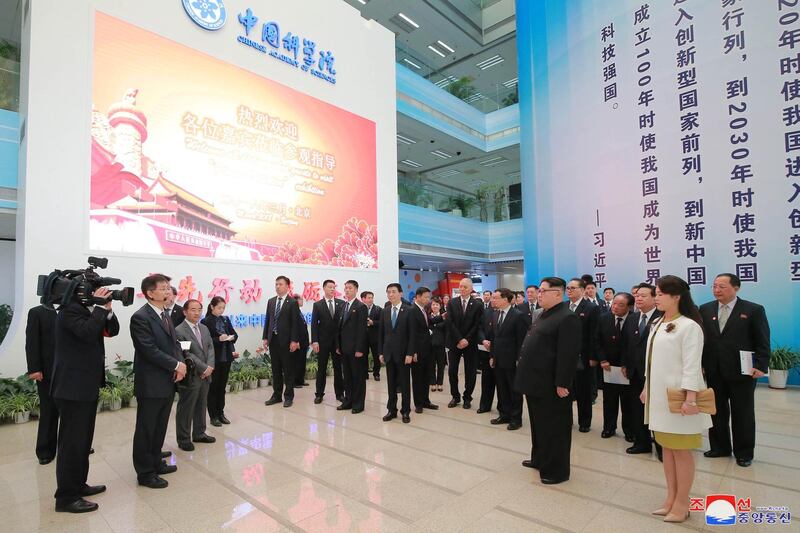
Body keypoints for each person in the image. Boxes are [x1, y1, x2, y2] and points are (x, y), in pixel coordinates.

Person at [641, 275, 712, 523]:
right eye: (656, 293)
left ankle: (683, 503)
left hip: (681, 399)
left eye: (660, 293)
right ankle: (670, 498)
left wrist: (691, 399)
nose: (656, 297)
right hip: (660, 399)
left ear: (676, 296)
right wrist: (646, 387)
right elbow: (651, 361)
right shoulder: (658, 323)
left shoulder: (689, 326)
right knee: (668, 450)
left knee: (681, 451)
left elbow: (693, 366)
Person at [50, 287, 119, 513]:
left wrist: (107, 310)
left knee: (82, 442)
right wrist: (99, 308)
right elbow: (88, 333)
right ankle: (66, 497)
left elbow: (113, 330)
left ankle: (79, 485)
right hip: (72, 387)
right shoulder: (69, 311)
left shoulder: (89, 311)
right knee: (71, 444)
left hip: (85, 387)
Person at [700, 273, 771, 468]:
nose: (717, 290)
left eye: (722, 286)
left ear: (736, 288)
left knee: (743, 413)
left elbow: (762, 340)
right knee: (717, 411)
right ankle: (720, 447)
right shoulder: (705, 309)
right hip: (714, 370)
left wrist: (761, 365)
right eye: (714, 286)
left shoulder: (753, 309)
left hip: (743, 371)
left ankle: (744, 452)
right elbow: (703, 341)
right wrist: (701, 366)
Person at [515, 277, 580, 485]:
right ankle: (539, 458)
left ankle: (556, 470)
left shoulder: (567, 317)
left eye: (543, 291)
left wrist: (563, 383)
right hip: (534, 381)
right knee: (538, 425)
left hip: (551, 384)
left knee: (554, 428)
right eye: (539, 291)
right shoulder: (543, 314)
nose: (539, 294)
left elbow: (568, 355)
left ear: (557, 294)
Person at [131, 274, 186, 489]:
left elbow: (175, 345)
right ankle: (144, 473)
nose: (168, 291)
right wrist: (175, 365)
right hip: (151, 382)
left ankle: (156, 462)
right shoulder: (141, 317)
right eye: (163, 288)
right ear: (150, 293)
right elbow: (149, 350)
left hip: (166, 380)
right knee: (146, 428)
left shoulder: (165, 314)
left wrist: (180, 365)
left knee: (160, 426)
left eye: (168, 288)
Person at [624, 283, 663, 456]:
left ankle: (662, 447)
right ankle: (642, 442)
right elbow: (626, 344)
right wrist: (625, 364)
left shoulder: (663, 317)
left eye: (643, 295)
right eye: (637, 295)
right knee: (637, 408)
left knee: (657, 410)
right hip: (634, 371)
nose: (638, 298)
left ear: (655, 298)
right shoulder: (632, 317)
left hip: (655, 373)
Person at [174, 299, 216, 451]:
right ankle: (183, 438)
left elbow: (210, 347)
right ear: (185, 312)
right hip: (191, 374)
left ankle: (199, 433)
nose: (196, 312)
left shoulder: (204, 328)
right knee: (186, 407)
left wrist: (210, 367)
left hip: (206, 374)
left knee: (201, 404)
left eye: (199, 309)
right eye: (193, 309)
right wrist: (203, 368)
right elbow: (186, 353)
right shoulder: (179, 330)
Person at [485, 288, 527, 430]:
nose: (493, 300)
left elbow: (522, 340)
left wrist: (519, 359)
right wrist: (492, 356)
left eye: (496, 298)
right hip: (498, 359)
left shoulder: (518, 315)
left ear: (505, 299)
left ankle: (516, 419)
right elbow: (493, 338)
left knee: (514, 390)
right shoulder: (495, 314)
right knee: (502, 389)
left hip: (512, 360)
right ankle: (504, 414)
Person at [596, 293, 636, 440]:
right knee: (609, 400)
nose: (615, 307)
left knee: (627, 402)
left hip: (626, 368)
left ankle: (629, 430)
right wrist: (602, 360)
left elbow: (633, 346)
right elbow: (597, 341)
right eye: (614, 304)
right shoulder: (603, 318)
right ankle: (609, 428)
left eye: (620, 305)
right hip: (609, 367)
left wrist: (627, 364)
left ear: (629, 307)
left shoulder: (634, 319)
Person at [25, 304, 59, 465]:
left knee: (73, 414)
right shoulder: (38, 312)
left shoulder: (74, 309)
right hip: (47, 372)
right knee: (49, 411)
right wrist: (34, 368)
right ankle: (45, 451)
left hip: (71, 372)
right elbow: (31, 342)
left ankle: (74, 446)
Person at [566, 278, 599, 432]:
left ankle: (585, 422)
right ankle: (566, 419)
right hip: (565, 357)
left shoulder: (591, 308)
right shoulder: (563, 307)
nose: (569, 291)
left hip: (584, 357)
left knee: (583, 391)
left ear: (582, 290)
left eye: (573, 288)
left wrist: (593, 357)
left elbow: (594, 335)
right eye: (568, 288)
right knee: (565, 390)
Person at [263, 276, 301, 408]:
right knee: (276, 369)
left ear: (287, 286)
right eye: (276, 284)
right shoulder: (271, 301)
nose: (277, 286)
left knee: (288, 370)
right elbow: (268, 321)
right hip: (273, 340)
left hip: (287, 342)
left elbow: (295, 324)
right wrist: (265, 338)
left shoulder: (292, 302)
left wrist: (294, 340)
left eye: (280, 284)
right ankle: (276, 395)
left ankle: (288, 396)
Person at [445, 278, 482, 409]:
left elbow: (477, 324)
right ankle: (455, 396)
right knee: (452, 371)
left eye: (465, 287)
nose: (462, 289)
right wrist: (459, 339)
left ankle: (467, 397)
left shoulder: (478, 304)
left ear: (471, 289)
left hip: (470, 343)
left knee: (470, 371)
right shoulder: (452, 302)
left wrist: (467, 339)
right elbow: (450, 322)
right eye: (460, 286)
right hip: (454, 342)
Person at [379, 283, 413, 423]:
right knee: (391, 384)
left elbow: (412, 335)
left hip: (404, 354)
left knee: (404, 384)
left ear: (401, 293)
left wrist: (410, 353)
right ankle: (391, 410)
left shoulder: (409, 310)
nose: (390, 295)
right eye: (388, 292)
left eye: (393, 292)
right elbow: (381, 334)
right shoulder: (385, 311)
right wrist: (380, 352)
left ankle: (405, 411)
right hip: (389, 354)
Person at [203, 297, 238, 427]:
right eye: (219, 307)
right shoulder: (206, 321)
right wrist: (219, 339)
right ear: (212, 307)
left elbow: (234, 334)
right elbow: (206, 341)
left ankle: (221, 412)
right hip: (214, 359)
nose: (221, 310)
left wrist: (230, 337)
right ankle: (213, 416)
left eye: (223, 308)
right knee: (213, 388)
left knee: (222, 388)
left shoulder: (225, 319)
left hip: (226, 358)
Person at [336, 280, 369, 413]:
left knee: (358, 377)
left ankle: (358, 404)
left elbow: (362, 330)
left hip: (356, 349)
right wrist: (338, 345)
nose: (347, 290)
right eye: (346, 288)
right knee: (347, 377)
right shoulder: (344, 306)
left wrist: (360, 349)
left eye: (350, 288)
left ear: (356, 290)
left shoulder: (361, 307)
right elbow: (339, 328)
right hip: (344, 348)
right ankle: (348, 401)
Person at [310, 280, 344, 404]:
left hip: (337, 343)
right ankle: (319, 394)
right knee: (322, 368)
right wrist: (315, 341)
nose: (332, 289)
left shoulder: (341, 303)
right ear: (324, 288)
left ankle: (340, 393)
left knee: (338, 369)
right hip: (323, 341)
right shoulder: (318, 305)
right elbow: (314, 324)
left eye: (333, 287)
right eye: (329, 287)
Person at [408, 286, 438, 413]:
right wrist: (413, 351)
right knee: (418, 378)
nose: (428, 300)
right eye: (426, 297)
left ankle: (426, 401)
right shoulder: (412, 310)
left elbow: (427, 325)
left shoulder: (423, 310)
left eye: (428, 297)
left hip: (427, 349)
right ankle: (418, 403)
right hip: (418, 351)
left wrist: (441, 317)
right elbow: (412, 333)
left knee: (426, 376)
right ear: (418, 297)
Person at [477, 288, 496, 414]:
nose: (493, 300)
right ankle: (485, 405)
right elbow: (479, 328)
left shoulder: (512, 314)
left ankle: (503, 407)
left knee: (501, 382)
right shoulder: (486, 312)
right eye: (493, 298)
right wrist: (483, 340)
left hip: (500, 352)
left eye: (496, 298)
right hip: (486, 350)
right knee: (486, 380)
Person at [362, 291, 382, 381]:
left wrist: (373, 322)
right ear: (363, 299)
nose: (370, 299)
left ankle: (376, 373)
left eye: (371, 298)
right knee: (364, 356)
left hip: (375, 337)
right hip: (363, 337)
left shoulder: (378, 309)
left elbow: (382, 323)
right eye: (368, 298)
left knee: (376, 356)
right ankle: (364, 373)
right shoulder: (360, 309)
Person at [428, 298, 447, 392]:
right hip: (430, 345)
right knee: (431, 364)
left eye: (437, 305)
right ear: (431, 306)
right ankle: (432, 383)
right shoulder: (427, 317)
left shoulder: (444, 317)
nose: (435, 306)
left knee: (441, 364)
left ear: (440, 306)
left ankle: (440, 383)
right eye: (433, 305)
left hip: (441, 344)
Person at [294, 294, 310, 388]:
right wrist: (296, 341)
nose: (302, 300)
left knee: (302, 361)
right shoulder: (294, 312)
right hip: (298, 342)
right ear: (296, 301)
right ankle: (295, 382)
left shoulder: (299, 311)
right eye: (301, 299)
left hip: (303, 342)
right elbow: (295, 328)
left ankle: (300, 380)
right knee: (296, 362)